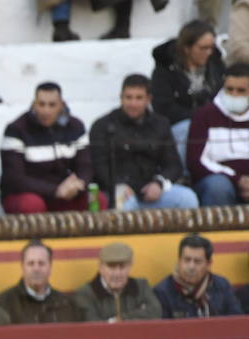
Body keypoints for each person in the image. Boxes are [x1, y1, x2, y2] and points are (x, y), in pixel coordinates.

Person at [89, 74, 200, 211]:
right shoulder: (103, 125)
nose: (133, 103)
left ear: (148, 99)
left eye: (139, 98)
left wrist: (159, 183)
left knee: (187, 199)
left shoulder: (161, 124)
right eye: (128, 97)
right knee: (122, 207)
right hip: (119, 190)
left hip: (152, 189)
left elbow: (173, 164)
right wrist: (118, 185)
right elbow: (99, 166)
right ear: (121, 98)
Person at [1, 82, 103, 214]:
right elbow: (14, 178)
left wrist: (78, 184)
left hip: (64, 192)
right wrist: (55, 190)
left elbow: (86, 165)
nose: (46, 110)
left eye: (52, 105)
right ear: (34, 104)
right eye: (41, 104)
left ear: (61, 104)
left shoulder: (76, 126)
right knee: (31, 204)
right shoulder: (16, 129)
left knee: (97, 199)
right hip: (27, 194)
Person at [152, 19, 225, 164]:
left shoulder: (216, 65)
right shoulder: (165, 70)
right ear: (187, 48)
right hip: (180, 126)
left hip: (215, 122)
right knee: (188, 129)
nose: (208, 52)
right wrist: (200, 116)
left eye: (211, 47)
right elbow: (163, 108)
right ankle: (184, 175)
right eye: (203, 48)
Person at [187, 62, 249, 205]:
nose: (234, 94)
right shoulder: (205, 115)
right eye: (229, 89)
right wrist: (237, 179)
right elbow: (196, 161)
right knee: (218, 187)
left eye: (241, 90)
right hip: (218, 179)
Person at [0, 239, 84, 324]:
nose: (36, 269)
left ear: (50, 267)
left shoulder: (68, 305)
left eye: (41, 263)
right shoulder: (3, 304)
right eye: (31, 263)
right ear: (22, 267)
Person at [154, 234, 244, 318]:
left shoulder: (221, 286)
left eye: (197, 261)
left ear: (208, 264)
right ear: (179, 261)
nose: (191, 267)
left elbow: (237, 323)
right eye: (186, 260)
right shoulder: (163, 292)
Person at [72, 241, 162, 322]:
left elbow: (156, 313)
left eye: (122, 267)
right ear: (100, 267)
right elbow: (93, 326)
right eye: (111, 267)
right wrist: (138, 315)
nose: (117, 274)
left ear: (130, 266)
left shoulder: (141, 286)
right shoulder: (86, 293)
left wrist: (119, 320)